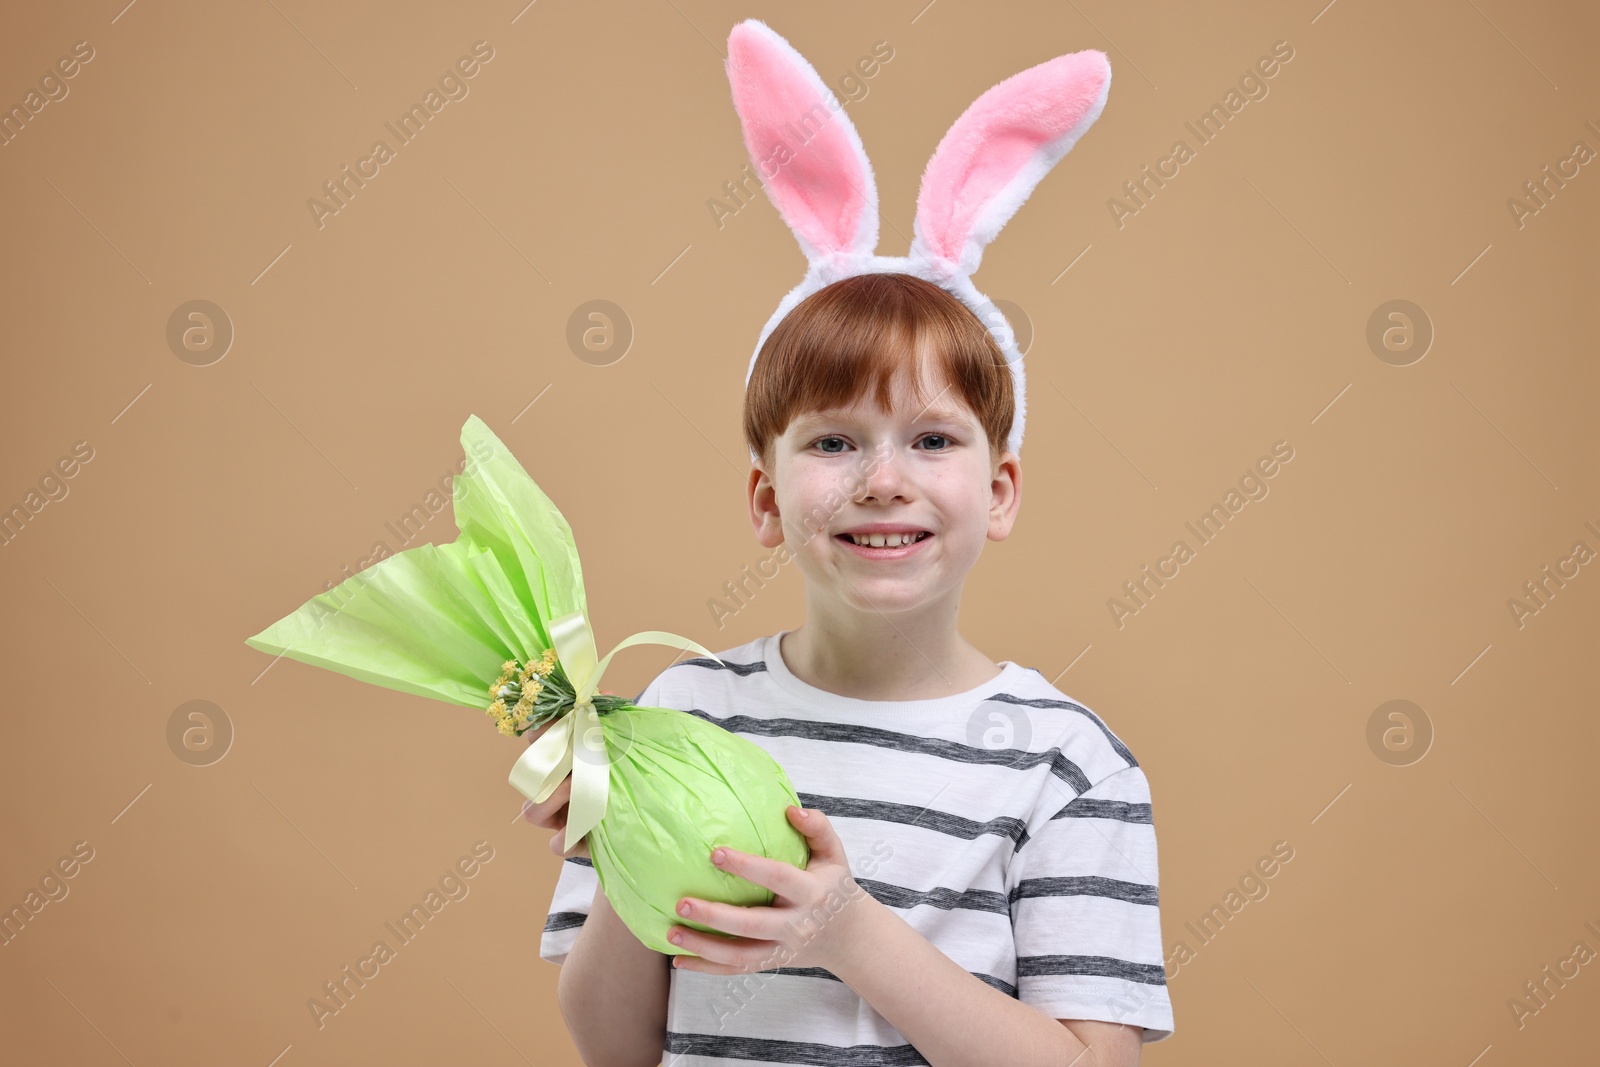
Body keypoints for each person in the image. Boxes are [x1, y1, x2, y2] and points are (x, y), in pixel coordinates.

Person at [525, 270, 1174, 1065]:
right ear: (766, 500)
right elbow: (615, 1051)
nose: (884, 482)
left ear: (1000, 491)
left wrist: (847, 933)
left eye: (932, 439)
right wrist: (631, 848)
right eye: (834, 442)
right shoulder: (684, 713)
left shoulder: (1069, 767)